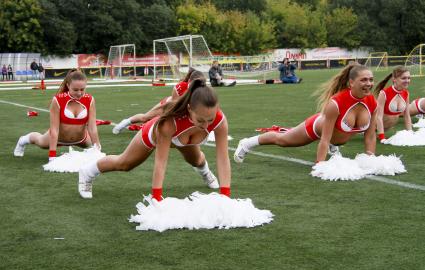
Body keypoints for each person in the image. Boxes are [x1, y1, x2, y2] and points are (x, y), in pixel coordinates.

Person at [78, 78, 231, 200]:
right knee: (125, 164)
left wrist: (225, 195)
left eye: (210, 120)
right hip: (157, 135)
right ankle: (87, 172)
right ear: (190, 109)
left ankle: (206, 174)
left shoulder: (220, 120)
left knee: (197, 160)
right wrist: (156, 198)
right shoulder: (169, 123)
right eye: (201, 120)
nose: (206, 125)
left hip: (186, 138)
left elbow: (223, 158)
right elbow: (161, 162)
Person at [234, 63, 377, 163]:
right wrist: (320, 165)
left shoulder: (372, 103)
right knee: (283, 140)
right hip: (318, 128)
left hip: (335, 135)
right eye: (363, 80)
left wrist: (370, 162)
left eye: (371, 80)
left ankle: (333, 147)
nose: (369, 83)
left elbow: (370, 136)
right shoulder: (336, 103)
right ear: (351, 83)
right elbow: (325, 138)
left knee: (332, 141)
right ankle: (246, 143)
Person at [14, 69, 101, 161]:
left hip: (81, 139)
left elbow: (92, 127)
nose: (79, 93)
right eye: (75, 90)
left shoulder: (90, 100)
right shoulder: (58, 100)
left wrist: (98, 149)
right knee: (40, 141)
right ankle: (23, 140)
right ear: (68, 85)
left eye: (82, 89)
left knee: (90, 145)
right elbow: (54, 129)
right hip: (58, 139)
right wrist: (52, 155)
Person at [112, 68, 202, 134]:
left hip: (180, 109)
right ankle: (125, 122)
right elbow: (175, 104)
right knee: (145, 118)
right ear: (190, 80)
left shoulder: (202, 89)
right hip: (169, 105)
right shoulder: (181, 86)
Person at [374, 66, 412, 141]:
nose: (407, 80)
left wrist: (410, 133)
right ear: (394, 79)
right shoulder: (384, 93)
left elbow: (407, 116)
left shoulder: (406, 93)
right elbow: (378, 117)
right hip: (372, 124)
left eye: (408, 78)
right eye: (403, 78)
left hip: (385, 126)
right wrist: (382, 137)